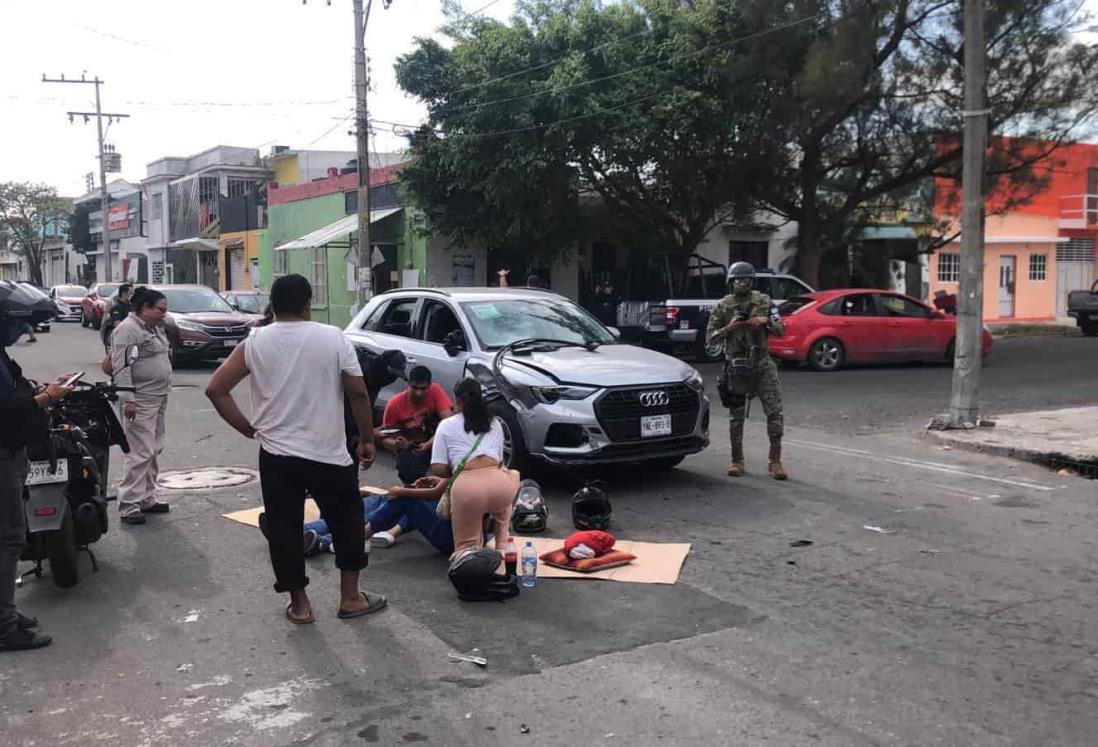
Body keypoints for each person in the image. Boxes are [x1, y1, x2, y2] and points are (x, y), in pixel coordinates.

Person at [205, 274, 384, 624]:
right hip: (328, 453)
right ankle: (350, 598)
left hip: (277, 455)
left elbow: (216, 389)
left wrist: (246, 428)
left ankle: (300, 606)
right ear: (307, 304)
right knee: (348, 522)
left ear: (273, 304)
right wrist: (367, 439)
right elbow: (358, 393)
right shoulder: (332, 337)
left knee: (284, 528)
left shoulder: (255, 341)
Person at [0, 280, 75, 651]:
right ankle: (3, 627)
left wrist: (44, 388)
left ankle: (5, 613)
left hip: (11, 450)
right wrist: (44, 397)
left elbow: (15, 393)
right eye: (18, 323)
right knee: (8, 538)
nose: (23, 331)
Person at [706, 261, 788, 480]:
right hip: (737, 367)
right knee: (736, 417)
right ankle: (737, 460)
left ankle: (775, 461)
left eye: (747, 279)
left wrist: (765, 322)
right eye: (739, 279)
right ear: (731, 282)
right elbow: (710, 338)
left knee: (775, 413)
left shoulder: (764, 301)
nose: (743, 282)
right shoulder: (724, 306)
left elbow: (781, 329)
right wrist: (730, 327)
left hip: (762, 364)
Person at [111, 287, 173, 525]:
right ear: (144, 308)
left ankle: (147, 497)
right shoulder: (127, 330)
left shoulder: (153, 328)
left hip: (158, 397)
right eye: (160, 309)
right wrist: (128, 400)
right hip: (140, 399)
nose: (164, 314)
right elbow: (121, 368)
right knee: (140, 451)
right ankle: (129, 504)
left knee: (154, 448)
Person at [380, 365, 453, 486]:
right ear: (408, 384)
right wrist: (397, 444)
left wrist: (429, 443)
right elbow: (385, 439)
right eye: (414, 388)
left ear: (429, 385)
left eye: (423, 389)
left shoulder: (435, 391)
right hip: (410, 446)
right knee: (411, 476)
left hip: (434, 439)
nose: (418, 393)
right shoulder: (394, 405)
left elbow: (449, 423)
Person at [100, 283, 133, 351]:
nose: (131, 295)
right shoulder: (117, 308)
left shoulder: (130, 306)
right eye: (130, 293)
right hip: (122, 338)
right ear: (124, 294)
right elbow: (117, 324)